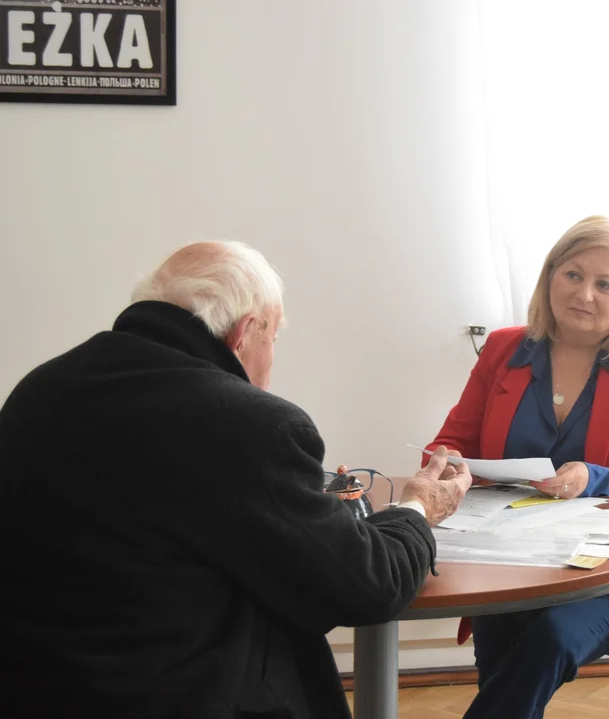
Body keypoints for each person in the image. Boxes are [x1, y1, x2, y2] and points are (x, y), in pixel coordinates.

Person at [0, 241, 472, 719]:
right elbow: (370, 586)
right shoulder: (250, 424)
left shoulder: (42, 387)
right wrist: (419, 505)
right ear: (245, 331)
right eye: (274, 337)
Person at [427, 215, 609, 718]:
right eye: (572, 274)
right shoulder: (505, 350)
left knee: (549, 639)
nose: (584, 294)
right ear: (550, 276)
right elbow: (451, 442)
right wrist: (447, 467)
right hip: (507, 551)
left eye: (605, 284)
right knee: (501, 636)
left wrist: (596, 477)